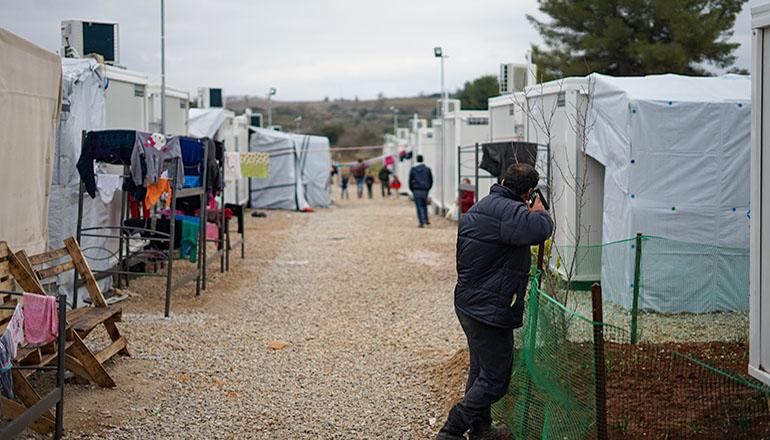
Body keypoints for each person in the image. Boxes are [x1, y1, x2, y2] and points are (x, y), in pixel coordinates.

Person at [437, 163, 553, 440]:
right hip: (490, 309)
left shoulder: (483, 205)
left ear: (502, 180)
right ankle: (451, 430)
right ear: (528, 192)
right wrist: (540, 211)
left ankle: (481, 429)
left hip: (469, 302)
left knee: (481, 371)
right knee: (496, 380)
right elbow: (540, 229)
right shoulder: (511, 213)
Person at [408, 155, 433, 228]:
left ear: (416, 160)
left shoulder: (413, 169)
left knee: (418, 206)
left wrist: (412, 189)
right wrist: (428, 188)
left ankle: (421, 222)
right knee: (425, 205)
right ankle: (426, 219)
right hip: (425, 190)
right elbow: (431, 180)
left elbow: (410, 180)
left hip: (416, 189)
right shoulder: (427, 169)